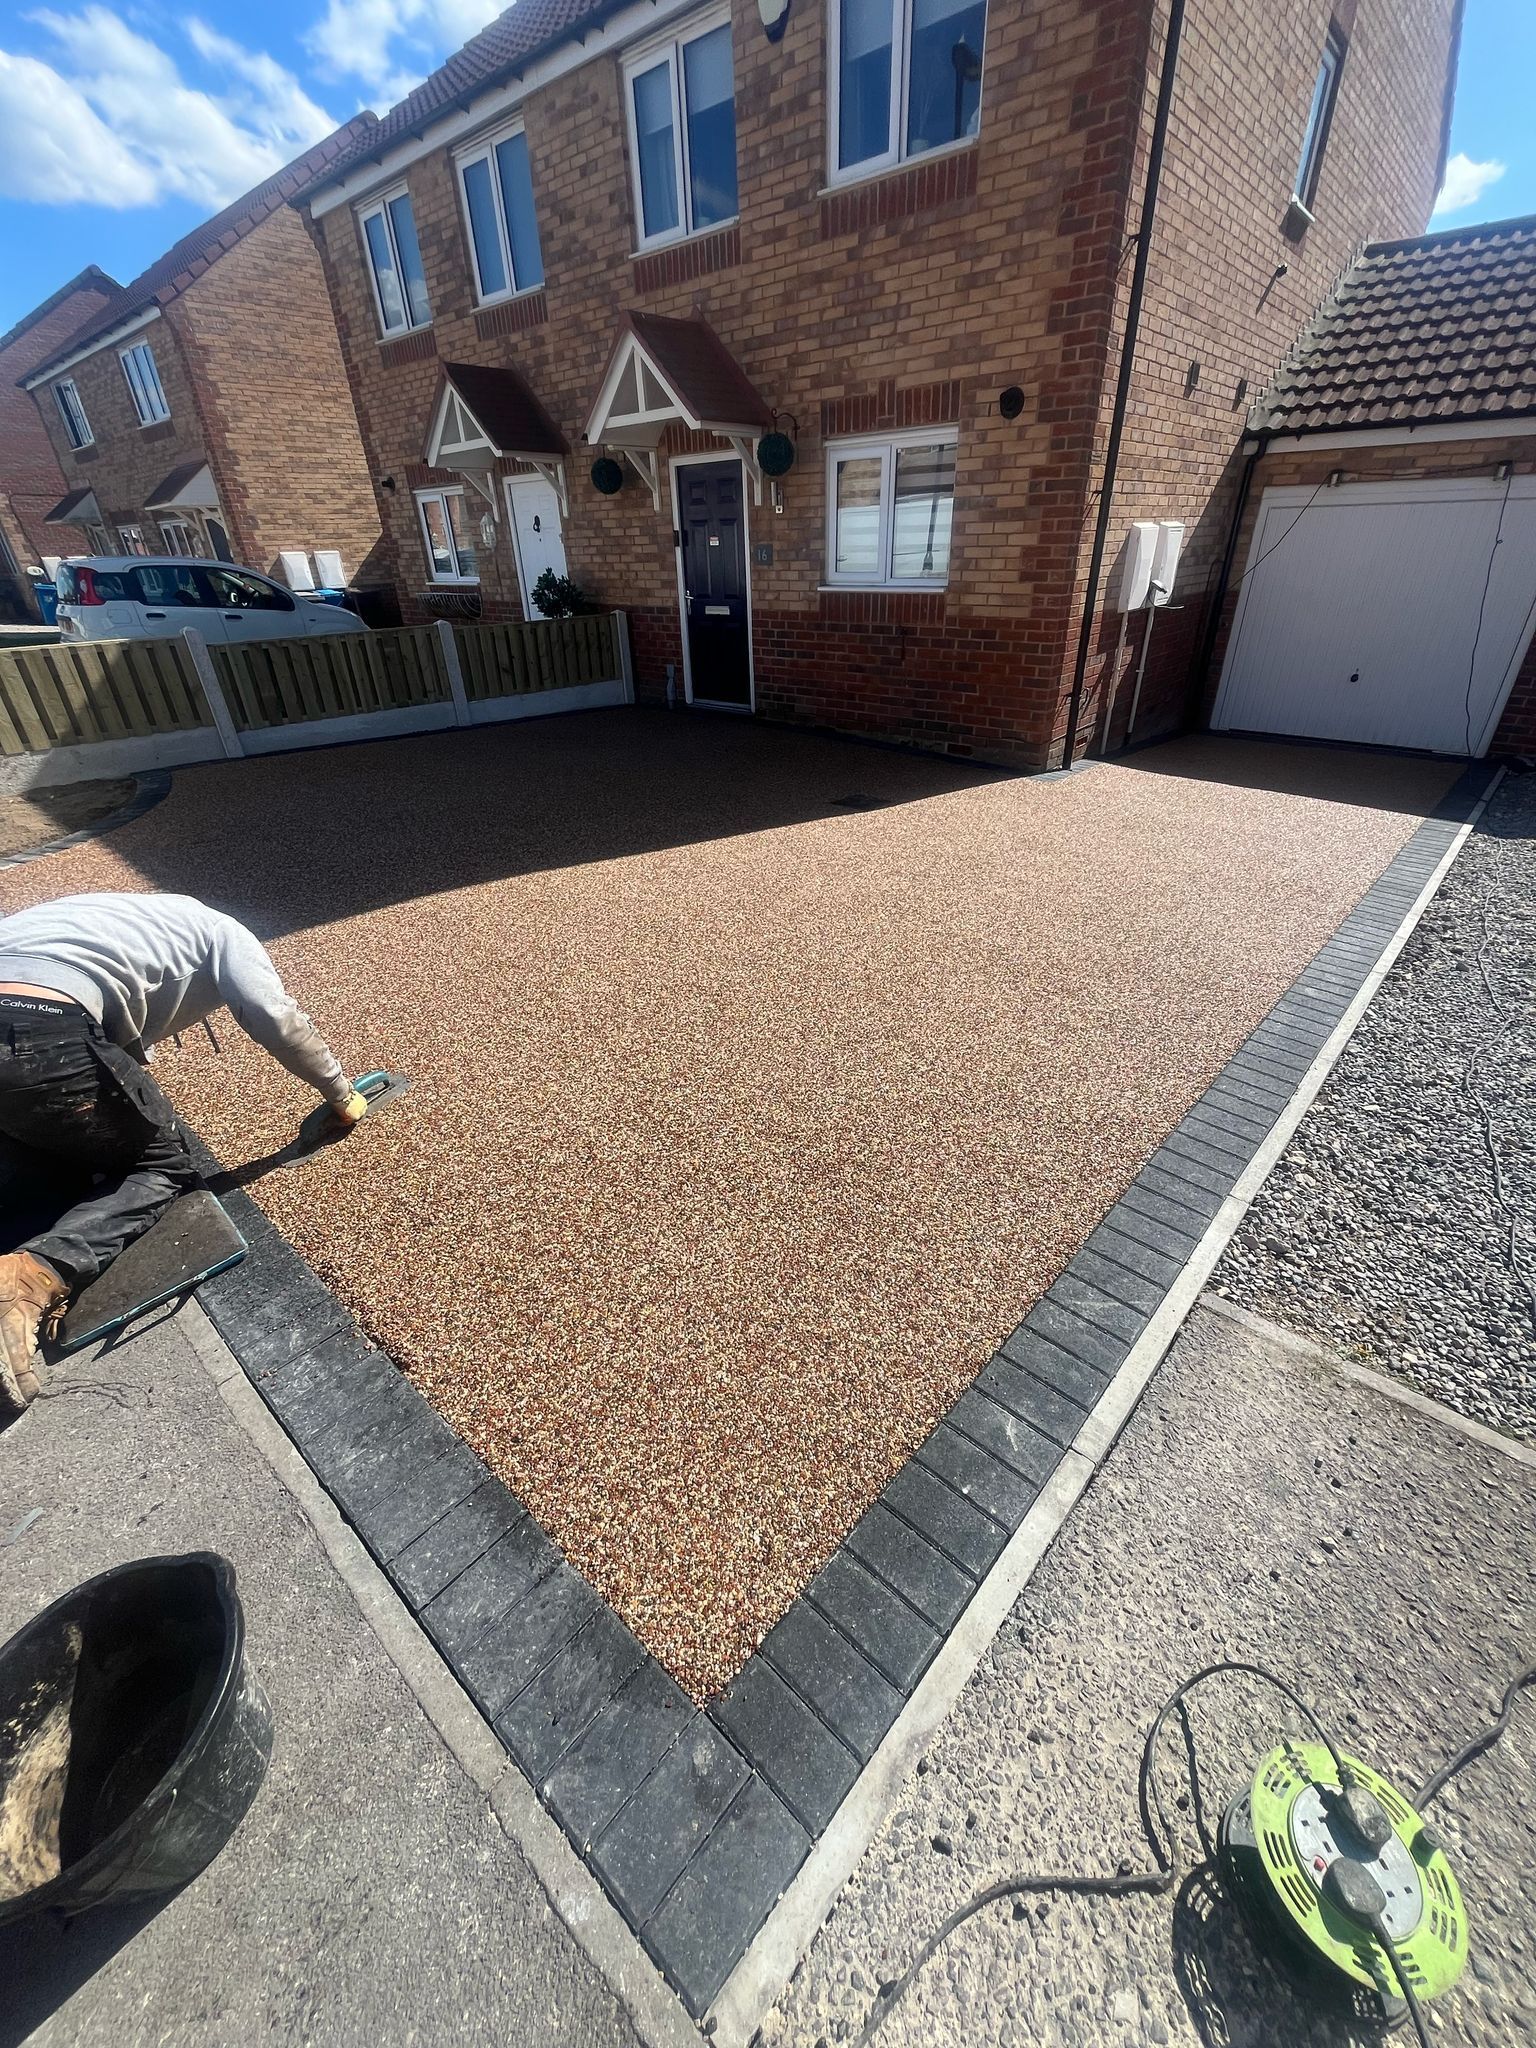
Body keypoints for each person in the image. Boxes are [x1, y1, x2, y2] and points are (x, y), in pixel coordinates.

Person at [0, 891, 368, 1415]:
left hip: (28, 1015)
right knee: (163, 1164)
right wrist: (339, 1092)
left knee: (50, 1137)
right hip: (42, 1028)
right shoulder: (224, 932)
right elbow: (272, 1013)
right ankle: (32, 1277)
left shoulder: (107, 916)